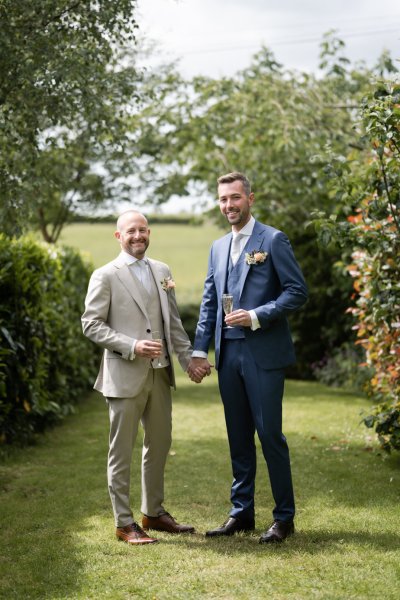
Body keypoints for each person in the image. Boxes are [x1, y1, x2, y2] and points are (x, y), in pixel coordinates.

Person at [187, 172, 308, 543]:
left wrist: (257, 315)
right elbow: (210, 302)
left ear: (250, 198)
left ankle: (284, 518)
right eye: (223, 200)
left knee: (270, 435)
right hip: (228, 355)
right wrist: (198, 349)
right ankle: (241, 513)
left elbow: (296, 292)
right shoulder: (217, 247)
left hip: (263, 353)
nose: (228, 206)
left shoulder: (272, 240)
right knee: (238, 437)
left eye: (235, 198)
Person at [82, 210, 204, 545]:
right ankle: (124, 523)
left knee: (160, 444)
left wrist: (188, 360)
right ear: (118, 236)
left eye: (143, 230)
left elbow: (173, 324)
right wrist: (132, 345)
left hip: (160, 374)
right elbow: (90, 324)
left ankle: (153, 512)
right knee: (121, 450)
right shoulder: (105, 275)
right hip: (123, 374)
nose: (138, 236)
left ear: (149, 233)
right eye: (131, 231)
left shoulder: (163, 271)